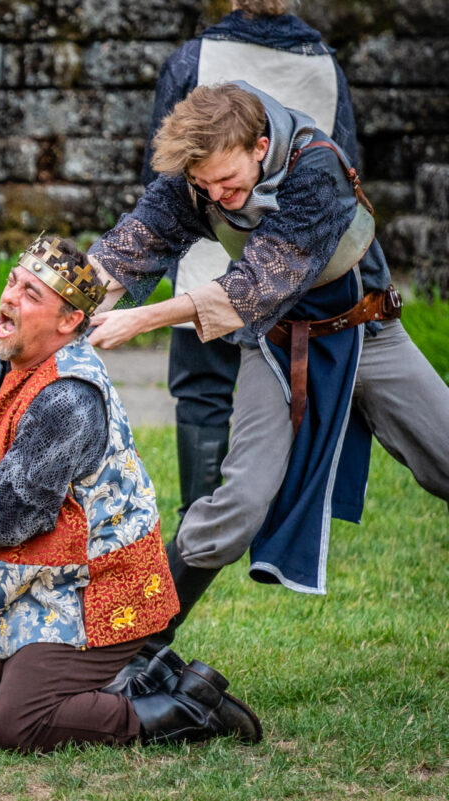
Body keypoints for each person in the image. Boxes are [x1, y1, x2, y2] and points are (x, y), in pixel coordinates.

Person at [86, 82, 449, 670]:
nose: (219, 197)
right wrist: (56, 300)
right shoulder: (199, 179)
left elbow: (255, 285)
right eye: (206, 188)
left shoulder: (316, 167)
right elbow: (129, 248)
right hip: (277, 344)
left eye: (229, 183)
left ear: (260, 146)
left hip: (369, 333)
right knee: (238, 506)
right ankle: (124, 649)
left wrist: (141, 319)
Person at [0, 234, 261, 750]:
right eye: (14, 282)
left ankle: (184, 708)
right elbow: (17, 461)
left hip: (101, 586)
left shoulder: (68, 399)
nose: (10, 298)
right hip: (48, 577)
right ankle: (135, 679)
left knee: (18, 727)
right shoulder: (4, 355)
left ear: (69, 321)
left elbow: (11, 522)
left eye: (32, 295)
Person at [144, 0, 361, 523]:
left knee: (203, 389)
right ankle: (235, 520)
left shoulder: (193, 60)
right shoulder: (327, 66)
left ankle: (203, 515)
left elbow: (163, 174)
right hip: (301, 273)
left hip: (217, 258)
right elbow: (351, 169)